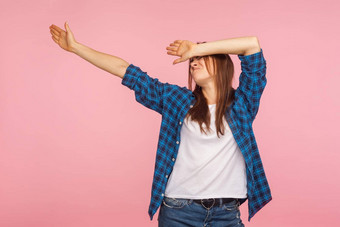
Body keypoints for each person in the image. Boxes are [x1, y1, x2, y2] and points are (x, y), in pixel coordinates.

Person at [49, 22, 272, 226]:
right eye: (193, 60)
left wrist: (195, 48)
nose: (194, 62)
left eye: (202, 57)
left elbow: (251, 45)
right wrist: (77, 48)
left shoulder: (243, 103)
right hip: (178, 211)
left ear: (221, 65)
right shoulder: (177, 100)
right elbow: (125, 70)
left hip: (226, 213)